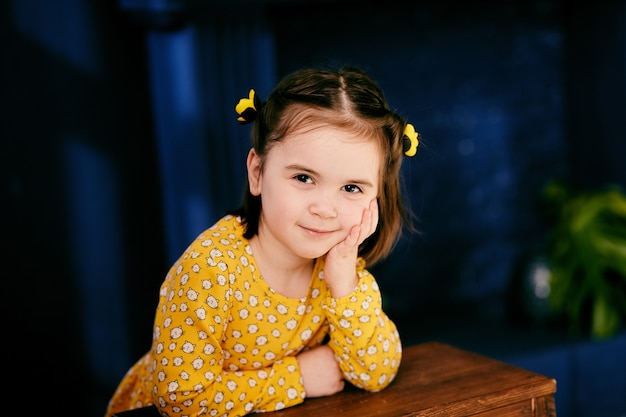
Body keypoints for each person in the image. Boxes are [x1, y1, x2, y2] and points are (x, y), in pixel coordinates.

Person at [105, 65, 421, 417]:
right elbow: (180, 400)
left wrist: (345, 284)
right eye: (303, 177)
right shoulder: (210, 270)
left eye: (351, 188)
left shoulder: (339, 269)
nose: (325, 209)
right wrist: (297, 378)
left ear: (376, 197)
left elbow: (377, 372)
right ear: (257, 173)